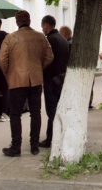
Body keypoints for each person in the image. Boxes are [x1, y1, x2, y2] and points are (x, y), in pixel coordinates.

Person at [0, 10, 54, 156]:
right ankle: (34, 146)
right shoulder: (40, 37)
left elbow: (2, 59)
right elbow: (50, 56)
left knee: (15, 114)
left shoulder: (11, 38)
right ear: (29, 20)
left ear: (17, 22)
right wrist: (38, 67)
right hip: (35, 80)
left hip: (17, 80)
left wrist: (8, 73)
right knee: (36, 113)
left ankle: (16, 147)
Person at [39, 15, 70, 148]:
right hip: (62, 79)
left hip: (51, 80)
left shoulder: (49, 40)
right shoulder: (63, 39)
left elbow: (46, 59)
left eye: (42, 27)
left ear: (46, 25)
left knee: (52, 111)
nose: (42, 29)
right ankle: (59, 135)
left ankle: (52, 138)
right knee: (59, 109)